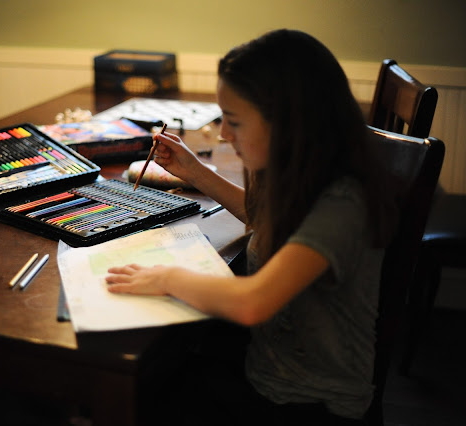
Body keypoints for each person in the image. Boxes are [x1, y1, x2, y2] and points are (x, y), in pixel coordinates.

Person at [105, 29, 398, 425]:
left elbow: (251, 303)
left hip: (310, 407)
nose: (224, 134)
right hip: (267, 368)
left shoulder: (341, 203)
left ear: (288, 123)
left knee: (139, 390)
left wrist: (166, 277)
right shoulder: (300, 169)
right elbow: (262, 216)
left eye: (234, 122)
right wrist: (195, 171)